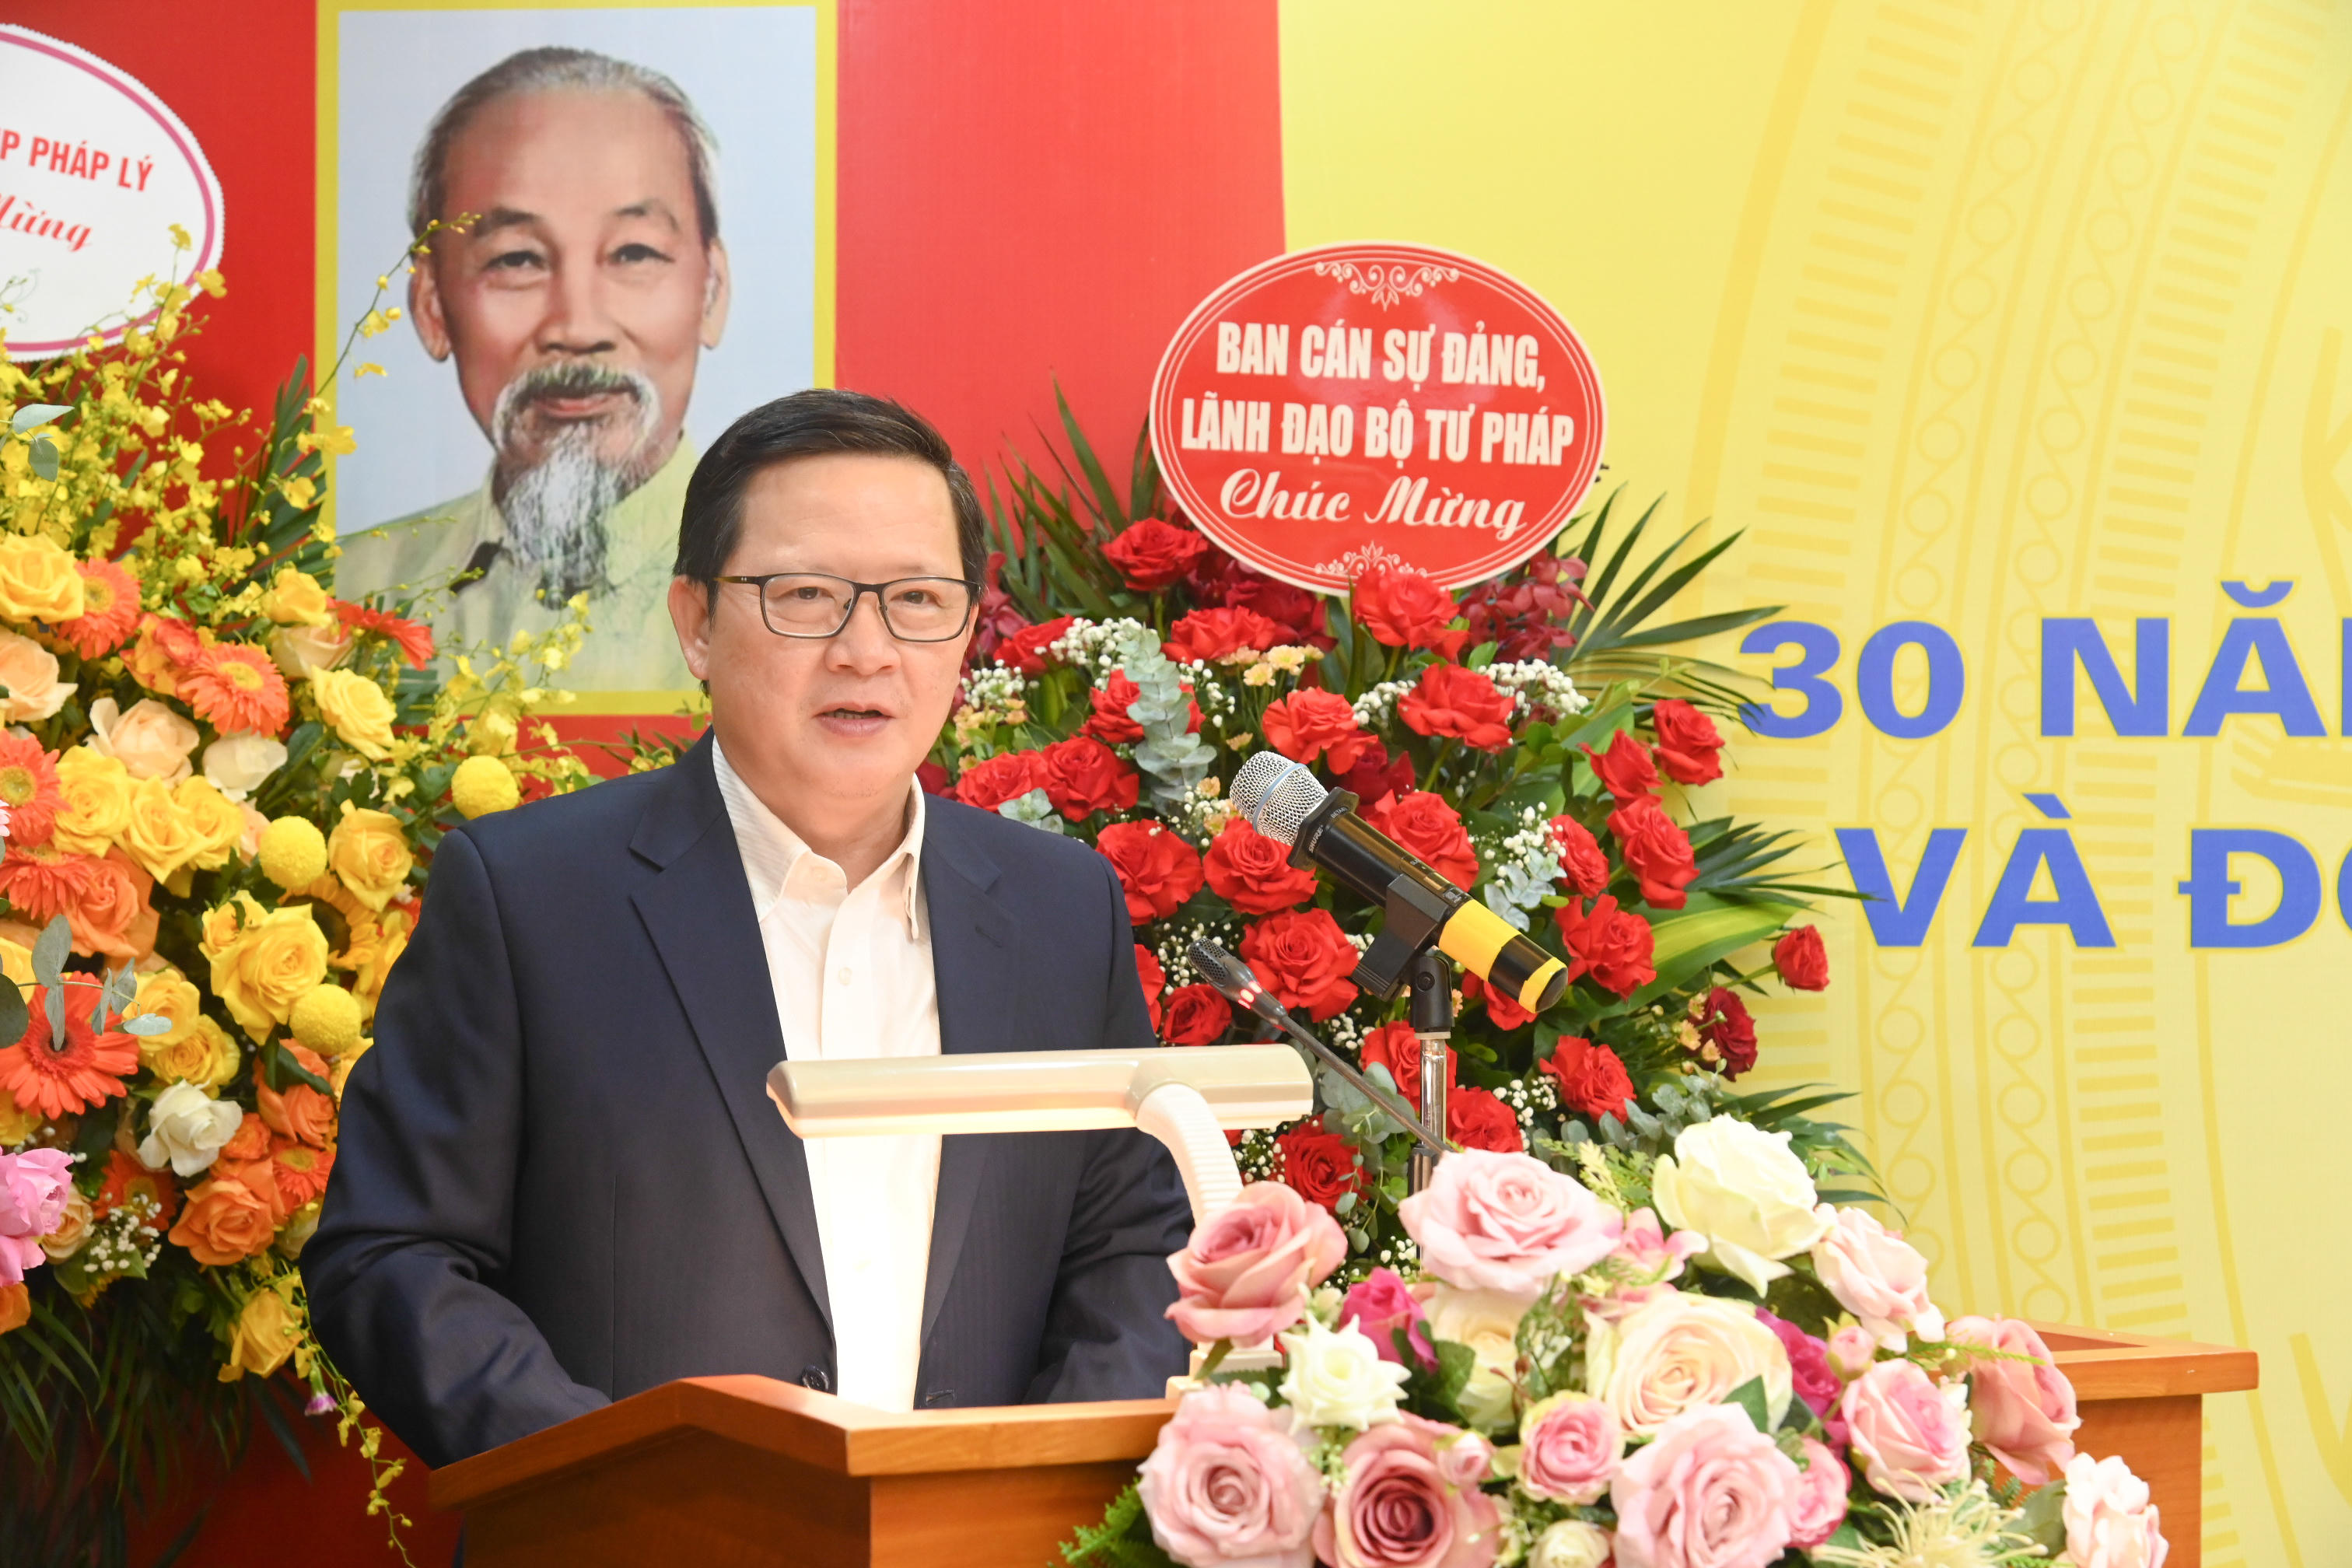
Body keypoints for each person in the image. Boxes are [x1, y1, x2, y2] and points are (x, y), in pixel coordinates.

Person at [305, 390, 1192, 1467]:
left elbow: (1131, 1247)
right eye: (806, 595)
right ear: (694, 623)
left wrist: (1029, 1502)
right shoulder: (530, 897)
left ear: (966, 628)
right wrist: (621, 1492)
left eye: (918, 599)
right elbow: (395, 1256)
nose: (866, 651)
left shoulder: (1061, 909)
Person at [334, 47, 732, 694]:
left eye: (634, 253)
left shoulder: (799, 600)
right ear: (431, 306)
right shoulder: (331, 602)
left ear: (711, 291)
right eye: (517, 260)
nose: (577, 328)